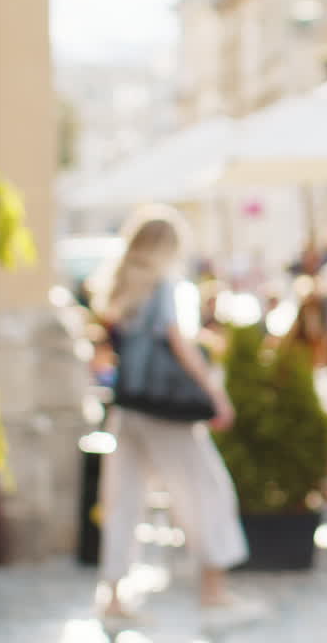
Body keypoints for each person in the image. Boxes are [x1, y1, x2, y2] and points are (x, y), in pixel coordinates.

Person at [89, 206, 258, 624]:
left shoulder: (121, 287)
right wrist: (215, 394)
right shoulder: (164, 286)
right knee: (207, 488)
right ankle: (213, 591)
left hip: (129, 407)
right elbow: (177, 343)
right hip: (165, 410)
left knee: (124, 499)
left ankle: (112, 598)